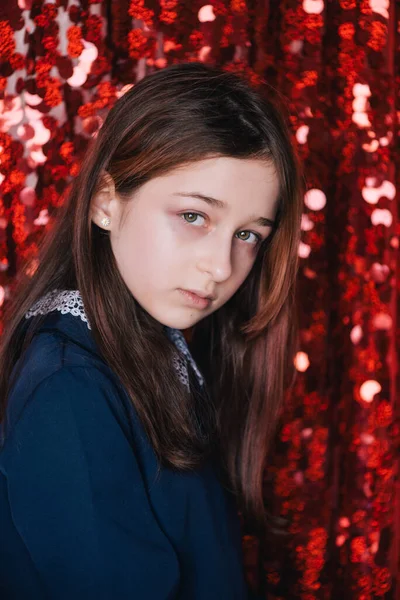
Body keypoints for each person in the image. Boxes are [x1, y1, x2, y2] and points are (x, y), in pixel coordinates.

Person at [0, 62, 303, 599]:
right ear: (105, 202)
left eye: (248, 234)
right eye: (193, 217)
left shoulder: (154, 351)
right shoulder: (71, 390)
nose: (221, 265)